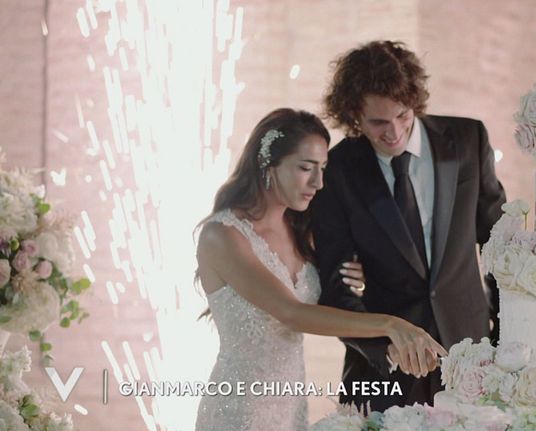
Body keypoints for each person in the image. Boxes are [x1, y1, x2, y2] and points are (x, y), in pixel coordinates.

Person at [193, 108, 446, 431]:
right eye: (305, 168)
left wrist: (361, 280)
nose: (318, 182)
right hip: (239, 408)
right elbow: (292, 312)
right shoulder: (222, 235)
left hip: (292, 405)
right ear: (267, 162)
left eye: (323, 168)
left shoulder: (304, 231)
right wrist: (391, 325)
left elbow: (332, 295)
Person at [311, 40, 507, 411]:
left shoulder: (468, 140)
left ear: (414, 101)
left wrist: (506, 337)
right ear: (353, 115)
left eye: (403, 116)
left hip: (474, 359)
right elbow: (336, 286)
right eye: (378, 123)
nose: (394, 132)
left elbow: (501, 245)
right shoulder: (337, 170)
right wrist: (384, 347)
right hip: (383, 375)